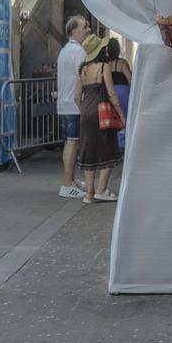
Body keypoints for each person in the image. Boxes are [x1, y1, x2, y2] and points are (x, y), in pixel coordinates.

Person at [76, 35, 125, 203]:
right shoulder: (103, 67)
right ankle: (102, 189)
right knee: (109, 147)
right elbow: (112, 94)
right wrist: (121, 114)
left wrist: (84, 110)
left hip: (85, 113)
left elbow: (77, 97)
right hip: (101, 113)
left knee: (89, 151)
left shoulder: (82, 69)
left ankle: (89, 194)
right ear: (99, 51)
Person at [55, 15, 91, 199]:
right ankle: (68, 184)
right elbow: (81, 77)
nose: (88, 29)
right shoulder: (78, 52)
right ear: (73, 31)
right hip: (74, 104)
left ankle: (71, 180)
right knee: (73, 143)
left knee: (71, 142)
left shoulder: (65, 50)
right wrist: (81, 102)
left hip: (66, 103)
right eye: (85, 26)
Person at [106, 38, 134, 151]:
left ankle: (112, 145)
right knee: (124, 118)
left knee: (112, 119)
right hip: (123, 93)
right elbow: (130, 78)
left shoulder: (105, 64)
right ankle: (122, 144)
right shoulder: (122, 63)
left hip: (110, 92)